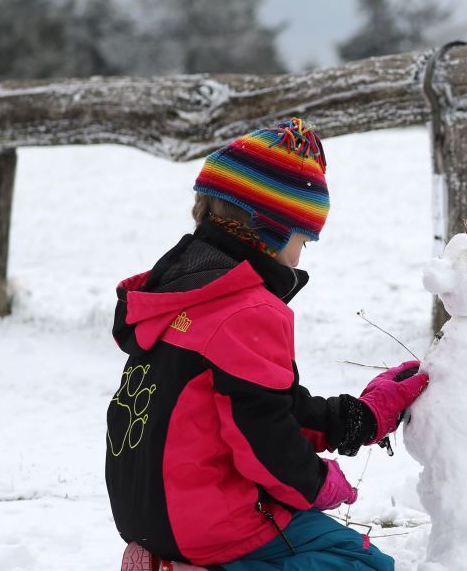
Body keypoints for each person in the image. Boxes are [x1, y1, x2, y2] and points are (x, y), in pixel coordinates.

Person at [107, 118, 429, 570]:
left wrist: (362, 418)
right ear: (272, 231)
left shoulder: (179, 292)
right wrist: (319, 485)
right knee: (365, 566)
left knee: (337, 548)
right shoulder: (245, 310)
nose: (301, 255)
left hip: (153, 514)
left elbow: (268, 405)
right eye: (303, 240)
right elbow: (267, 441)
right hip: (209, 520)